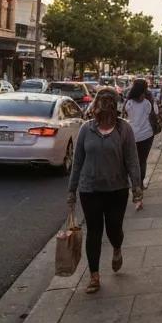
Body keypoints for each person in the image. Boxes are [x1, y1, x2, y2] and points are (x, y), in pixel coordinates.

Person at [67, 86, 143, 295]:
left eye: (110, 101)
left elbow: (132, 160)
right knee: (94, 231)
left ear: (115, 105)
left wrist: (137, 186)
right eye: (101, 100)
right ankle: (94, 276)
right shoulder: (86, 129)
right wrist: (71, 191)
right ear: (95, 104)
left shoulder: (124, 129)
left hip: (116, 189)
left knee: (114, 228)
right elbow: (77, 162)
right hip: (89, 189)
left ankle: (117, 248)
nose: (105, 105)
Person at [123, 78, 159, 188]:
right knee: (142, 161)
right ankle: (140, 184)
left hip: (132, 135)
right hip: (146, 135)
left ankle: (133, 182)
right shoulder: (148, 102)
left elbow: (125, 114)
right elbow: (155, 112)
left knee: (133, 160)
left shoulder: (129, 103)